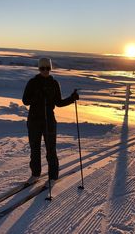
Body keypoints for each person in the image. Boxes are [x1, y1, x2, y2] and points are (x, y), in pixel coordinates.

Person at [22, 57, 79, 185]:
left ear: (50, 68)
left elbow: (58, 103)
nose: (45, 71)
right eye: (42, 68)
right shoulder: (32, 82)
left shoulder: (54, 83)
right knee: (35, 149)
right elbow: (25, 100)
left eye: (48, 68)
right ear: (39, 69)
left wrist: (72, 98)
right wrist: (37, 96)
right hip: (34, 120)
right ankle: (35, 174)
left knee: (51, 150)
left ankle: (53, 177)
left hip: (49, 120)